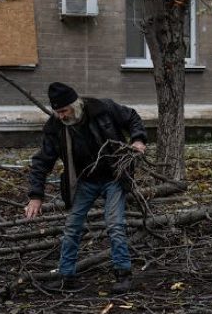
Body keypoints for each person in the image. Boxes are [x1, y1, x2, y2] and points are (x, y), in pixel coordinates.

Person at [25, 82, 148, 293]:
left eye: (64, 111)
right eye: (57, 112)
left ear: (76, 105)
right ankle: (66, 276)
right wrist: (36, 195)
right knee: (72, 227)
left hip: (114, 176)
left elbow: (132, 117)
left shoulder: (103, 109)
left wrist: (137, 140)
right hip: (84, 181)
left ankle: (123, 274)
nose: (61, 116)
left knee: (115, 224)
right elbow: (42, 161)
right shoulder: (55, 127)